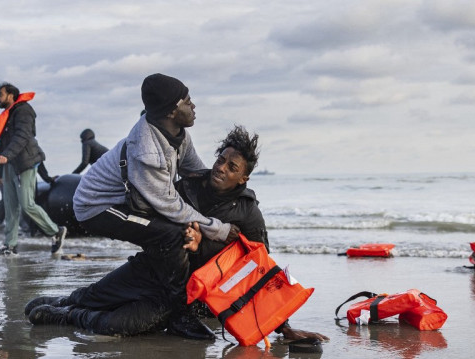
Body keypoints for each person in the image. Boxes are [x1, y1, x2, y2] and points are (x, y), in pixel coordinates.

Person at [26, 126, 328, 343]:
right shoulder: (187, 187)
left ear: (244, 177)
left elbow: (262, 272)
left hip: (184, 293)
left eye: (231, 166)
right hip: (150, 268)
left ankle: (65, 316)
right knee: (93, 295)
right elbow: (155, 229)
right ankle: (67, 301)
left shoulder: (248, 213)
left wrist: (284, 328)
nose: (221, 167)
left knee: (118, 324)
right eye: (220, 159)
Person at [71, 73, 239, 339]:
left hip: (129, 201)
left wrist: (234, 188)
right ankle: (179, 316)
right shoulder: (146, 150)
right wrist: (217, 228)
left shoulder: (178, 134)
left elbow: (195, 172)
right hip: (98, 205)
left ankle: (93, 297)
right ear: (172, 110)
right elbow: (170, 205)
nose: (193, 106)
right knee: (170, 234)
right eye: (188, 101)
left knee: (167, 240)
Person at [0, 82, 66, 256]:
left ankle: (55, 231)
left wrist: (7, 155)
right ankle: (10, 245)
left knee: (27, 204)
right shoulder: (7, 115)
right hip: (9, 165)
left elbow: (22, 136)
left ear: (10, 95)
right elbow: (3, 143)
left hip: (25, 163)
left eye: (0, 94)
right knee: (10, 205)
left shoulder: (24, 110)